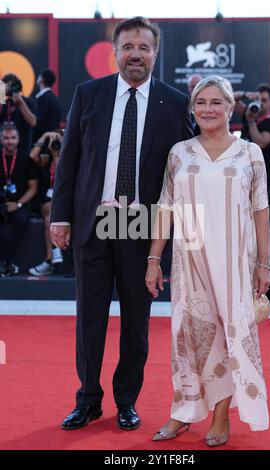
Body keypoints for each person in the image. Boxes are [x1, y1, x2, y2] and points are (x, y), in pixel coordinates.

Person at [50, 16, 193, 432]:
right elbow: (70, 159)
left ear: (155, 53)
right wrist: (60, 215)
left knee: (137, 320)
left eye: (143, 47)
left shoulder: (174, 101)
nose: (135, 54)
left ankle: (126, 401)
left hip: (142, 226)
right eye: (128, 46)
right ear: (115, 52)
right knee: (88, 318)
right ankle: (88, 399)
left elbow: (183, 169)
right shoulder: (88, 94)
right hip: (93, 222)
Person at [146, 76, 270, 446]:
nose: (207, 109)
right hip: (190, 262)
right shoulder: (180, 153)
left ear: (230, 108)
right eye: (200, 103)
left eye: (216, 102)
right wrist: (154, 258)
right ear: (192, 109)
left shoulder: (250, 153)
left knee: (231, 333)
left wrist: (263, 265)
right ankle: (183, 411)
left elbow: (261, 211)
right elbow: (165, 209)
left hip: (235, 263)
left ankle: (221, 417)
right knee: (188, 334)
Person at [0, 122, 38, 276]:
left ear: (18, 139)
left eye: (13, 138)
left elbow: (33, 187)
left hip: (19, 203)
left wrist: (19, 204)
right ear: (1, 139)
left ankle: (5, 261)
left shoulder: (25, 158)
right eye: (6, 138)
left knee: (22, 221)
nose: (10, 141)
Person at [28, 131, 64, 276]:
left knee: (50, 218)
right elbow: (32, 156)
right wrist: (44, 137)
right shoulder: (46, 159)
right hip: (48, 200)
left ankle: (50, 258)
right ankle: (54, 252)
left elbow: (63, 173)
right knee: (49, 213)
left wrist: (57, 155)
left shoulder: (70, 155)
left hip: (63, 198)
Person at [234, 83, 270, 189]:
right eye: (258, 99)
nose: (260, 103)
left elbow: (259, 143)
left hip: (259, 176)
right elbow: (230, 98)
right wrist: (246, 94)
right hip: (240, 172)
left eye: (264, 100)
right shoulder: (248, 112)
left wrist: (251, 121)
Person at [0, 74, 38, 154]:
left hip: (22, 149)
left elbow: (33, 122)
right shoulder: (2, 103)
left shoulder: (28, 102)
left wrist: (20, 103)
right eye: (6, 86)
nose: (9, 89)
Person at [34, 69, 62, 140]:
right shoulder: (56, 99)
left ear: (41, 80)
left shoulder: (42, 99)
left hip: (41, 142)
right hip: (52, 141)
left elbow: (38, 123)